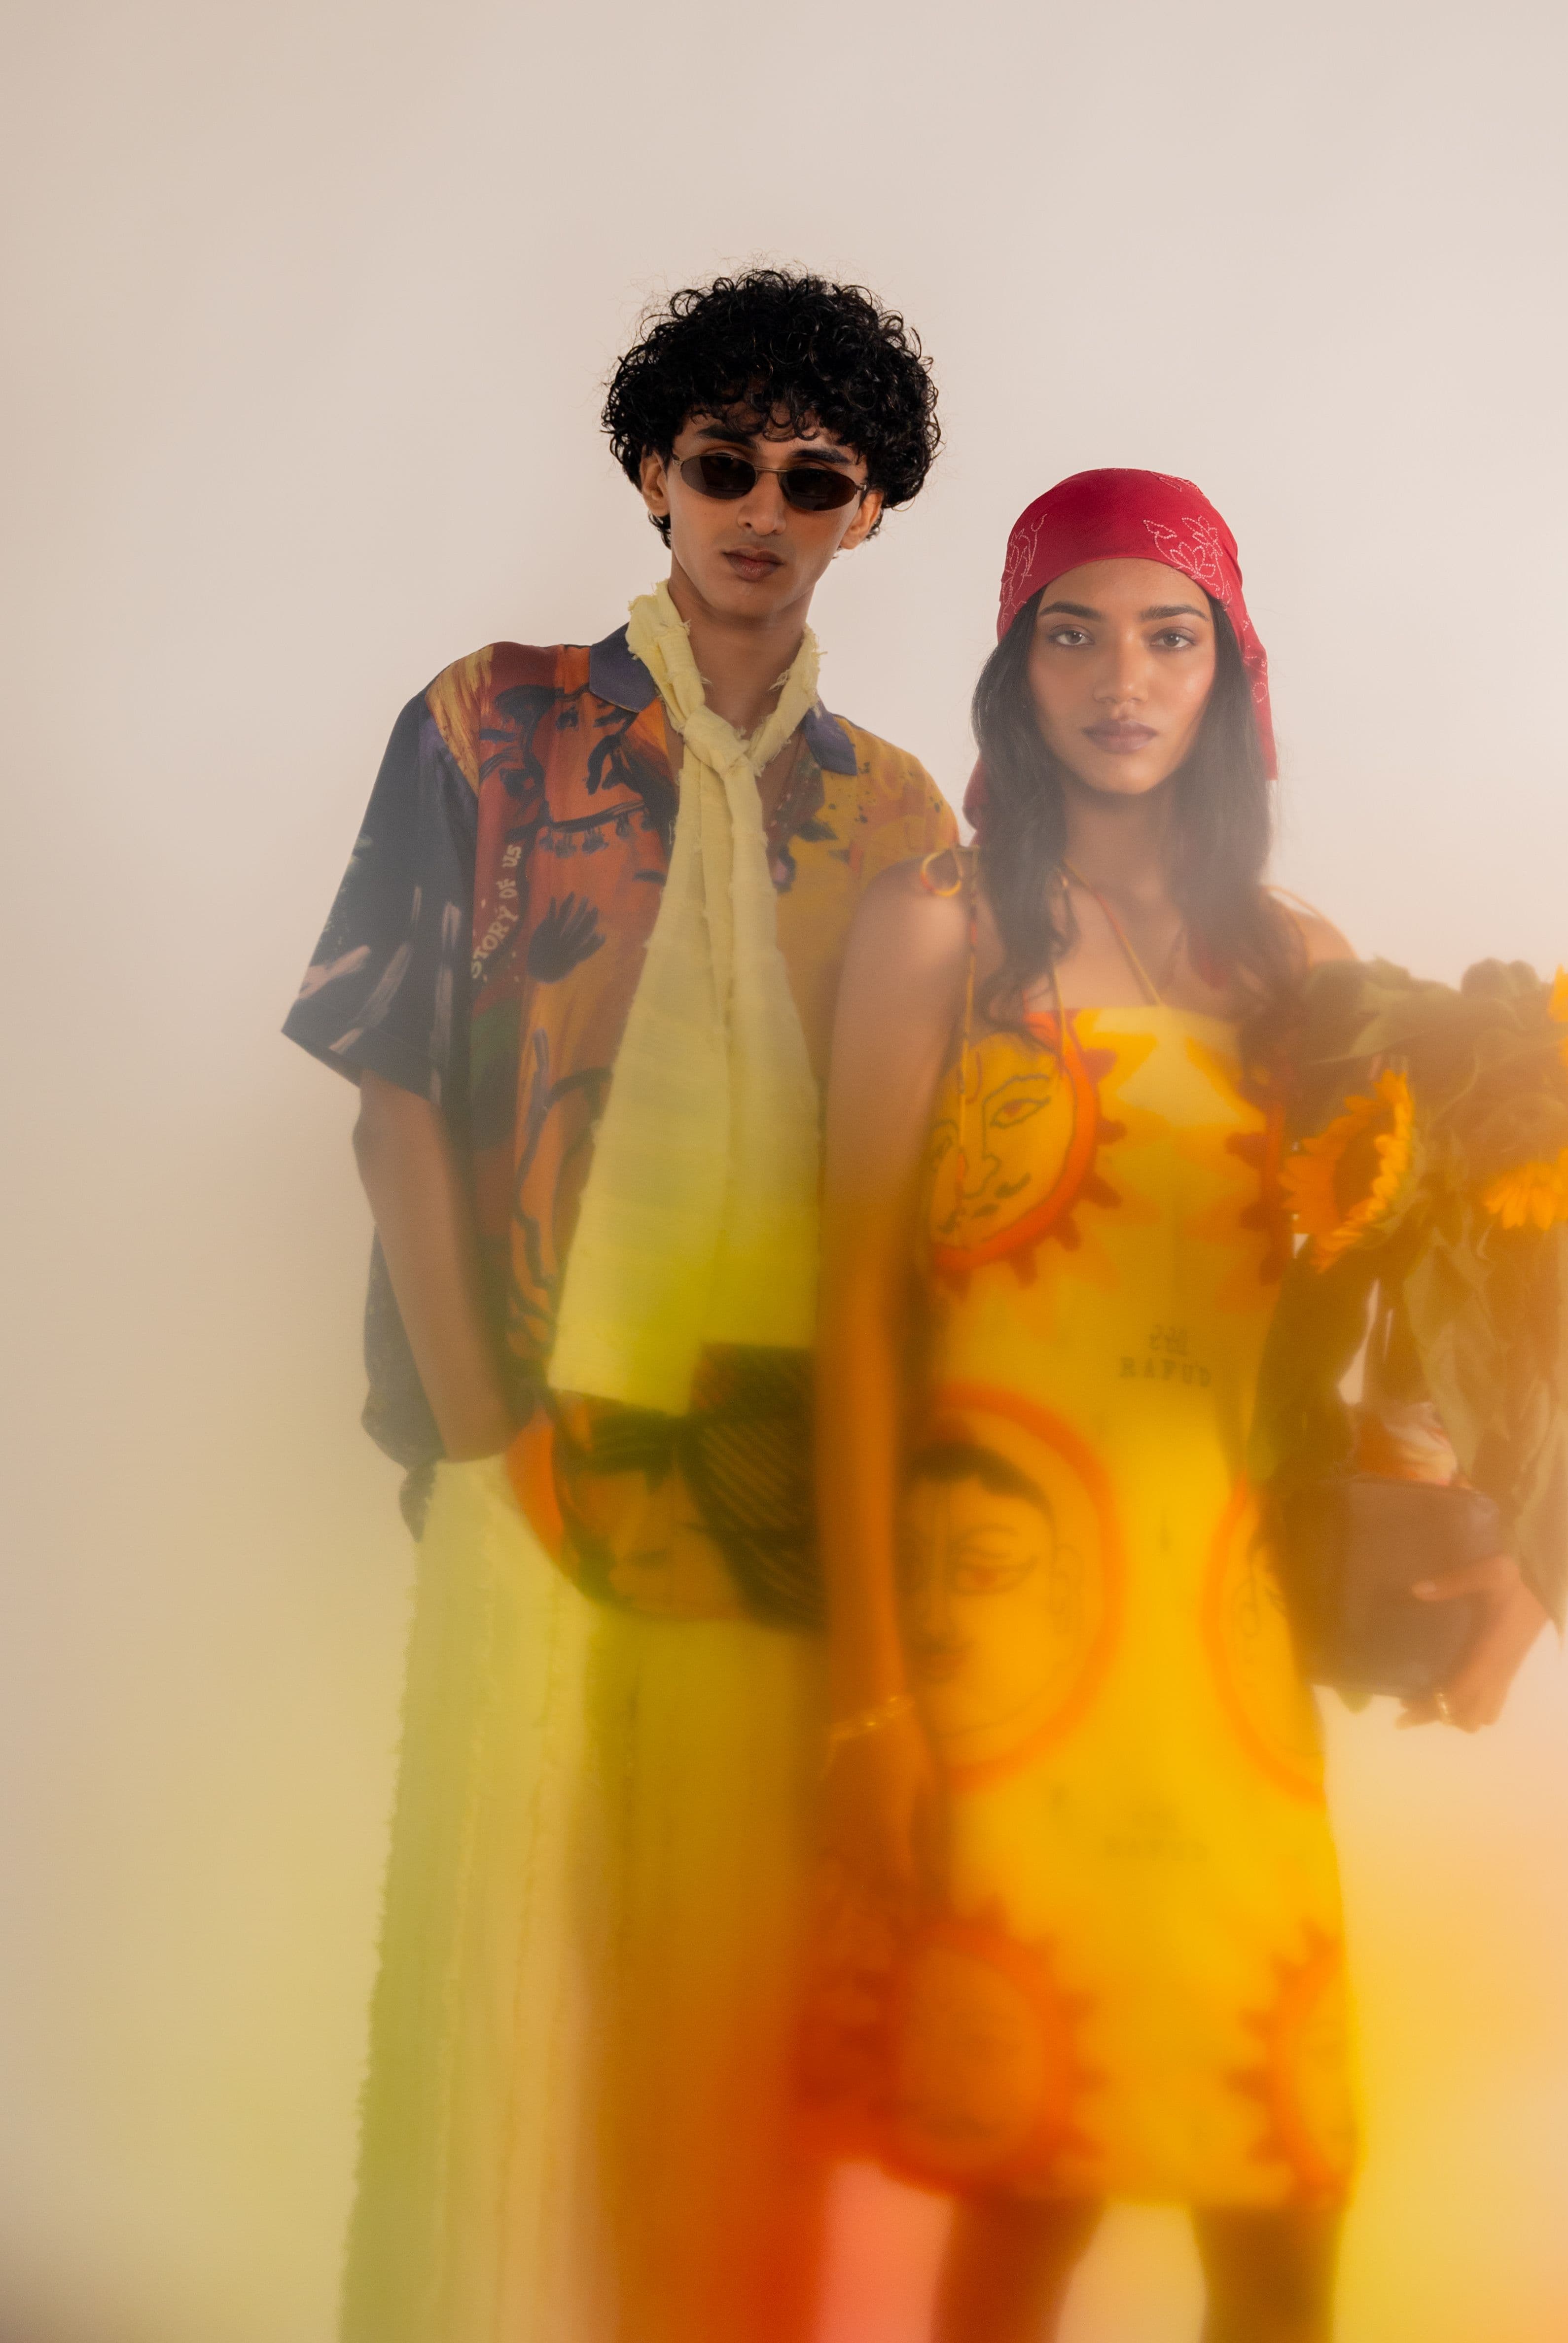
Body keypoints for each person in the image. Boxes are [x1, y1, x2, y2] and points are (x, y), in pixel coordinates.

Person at [808, 470, 1554, 2342]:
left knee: (1277, 2178)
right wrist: (875, 1698)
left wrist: (1488, 1524)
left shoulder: (1301, 968)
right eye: (1072, 634)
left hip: (1227, 1630)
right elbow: (853, 1316)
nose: (1120, 680)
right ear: (1016, 667)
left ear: (1230, 673)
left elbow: (1382, 1305)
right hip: (1003, 1626)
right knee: (1030, 2168)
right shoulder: (934, 931)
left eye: (1168, 638)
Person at [285, 267, 952, 2343]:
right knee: (499, 1998)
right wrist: (489, 1438)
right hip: (536, 1435)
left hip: (773, 1485)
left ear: (868, 511)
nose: (762, 509)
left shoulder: (903, 817)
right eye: (724, 463)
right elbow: (392, 1097)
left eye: (815, 478)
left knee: (718, 2033)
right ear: (653, 475)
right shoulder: (489, 724)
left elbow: (924, 1195)